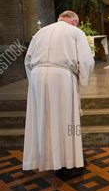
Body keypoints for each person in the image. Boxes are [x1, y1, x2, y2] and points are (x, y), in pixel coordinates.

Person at [23, 11, 95, 176]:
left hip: (37, 75)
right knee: (67, 121)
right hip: (62, 76)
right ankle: (68, 164)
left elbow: (27, 60)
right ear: (74, 22)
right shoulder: (76, 32)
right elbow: (86, 60)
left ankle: (45, 159)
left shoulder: (40, 32)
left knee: (43, 119)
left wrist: (34, 82)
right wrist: (82, 80)